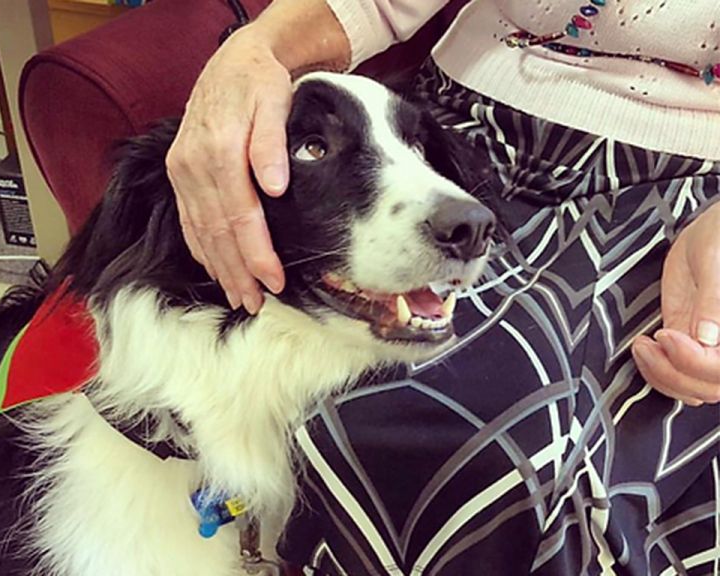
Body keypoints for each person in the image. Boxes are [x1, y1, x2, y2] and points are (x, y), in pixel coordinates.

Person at [166, 1, 720, 573]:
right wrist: (253, 51)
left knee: (501, 456)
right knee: (341, 403)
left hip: (687, 189)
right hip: (451, 128)